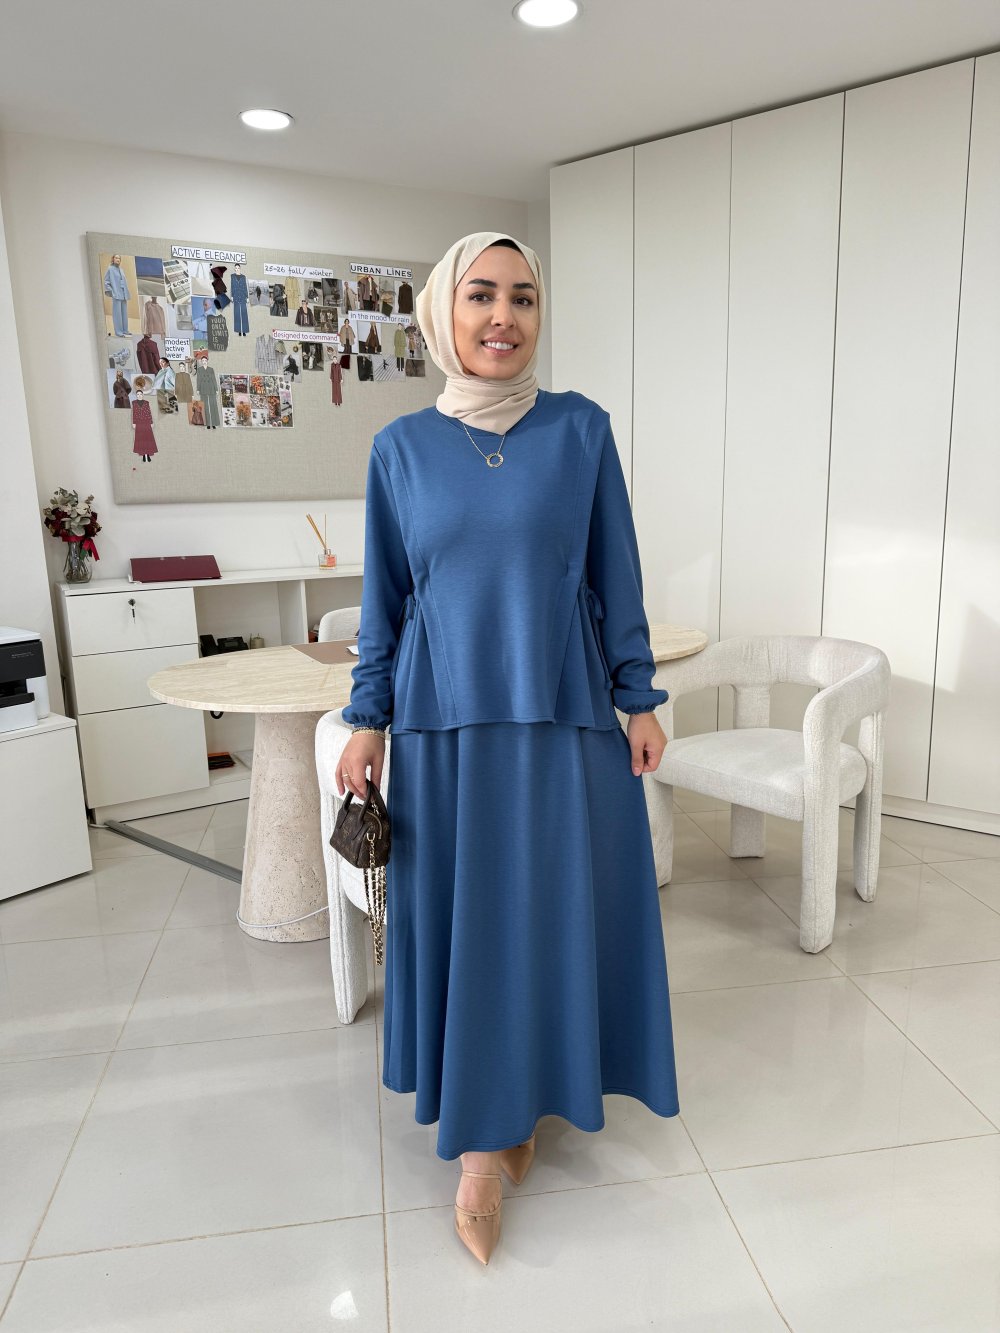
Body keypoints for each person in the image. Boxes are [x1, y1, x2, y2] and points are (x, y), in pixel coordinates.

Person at [337, 232, 679, 1267]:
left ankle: (525, 1101)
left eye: (522, 297)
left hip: (565, 721)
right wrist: (365, 717)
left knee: (552, 917)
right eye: (481, 295)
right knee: (474, 930)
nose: (503, 317)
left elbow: (616, 575)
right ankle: (482, 1150)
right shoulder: (399, 450)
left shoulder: (581, 432)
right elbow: (384, 602)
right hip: (443, 733)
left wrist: (639, 697)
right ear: (444, 312)